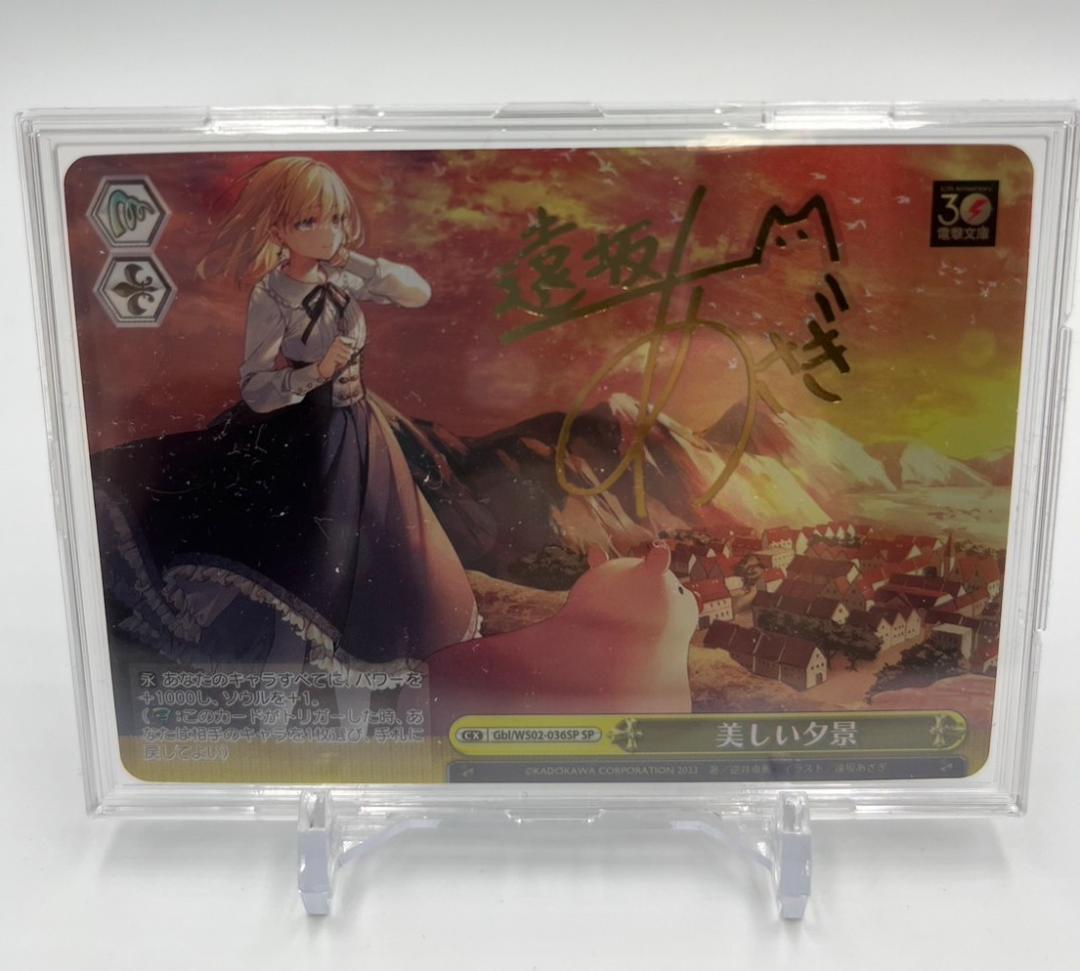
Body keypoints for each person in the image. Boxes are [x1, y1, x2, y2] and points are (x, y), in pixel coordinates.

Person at [92, 156, 480, 683]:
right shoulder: (272, 294)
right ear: (278, 230)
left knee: (378, 570)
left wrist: (352, 258)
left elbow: (417, 292)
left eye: (336, 219)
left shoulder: (344, 275)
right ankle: (276, 697)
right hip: (300, 437)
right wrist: (315, 371)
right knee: (302, 574)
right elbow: (256, 387)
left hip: (359, 436)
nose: (328, 232)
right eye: (308, 221)